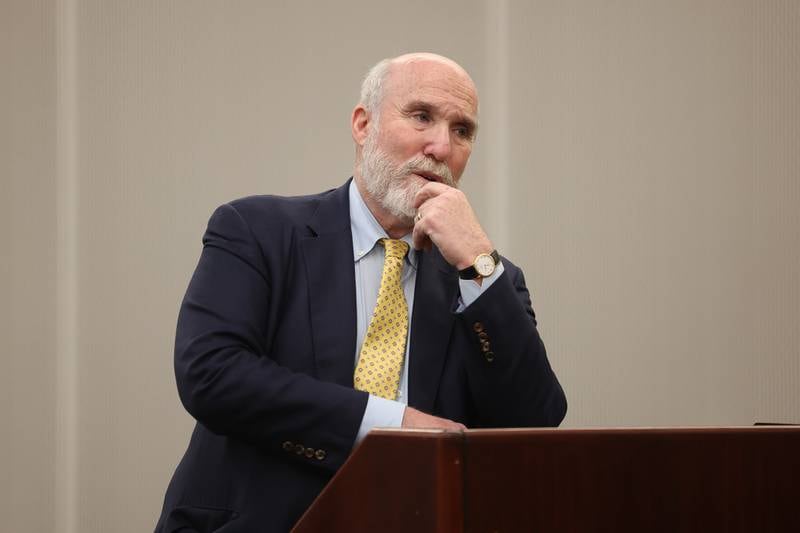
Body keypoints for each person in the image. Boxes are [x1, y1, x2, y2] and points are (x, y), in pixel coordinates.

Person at [154, 52, 566, 533]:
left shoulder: (487, 280)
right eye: (421, 116)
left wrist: (478, 262)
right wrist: (391, 426)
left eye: (462, 131)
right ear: (363, 124)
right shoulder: (257, 230)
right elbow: (211, 373)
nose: (440, 146)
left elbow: (534, 422)